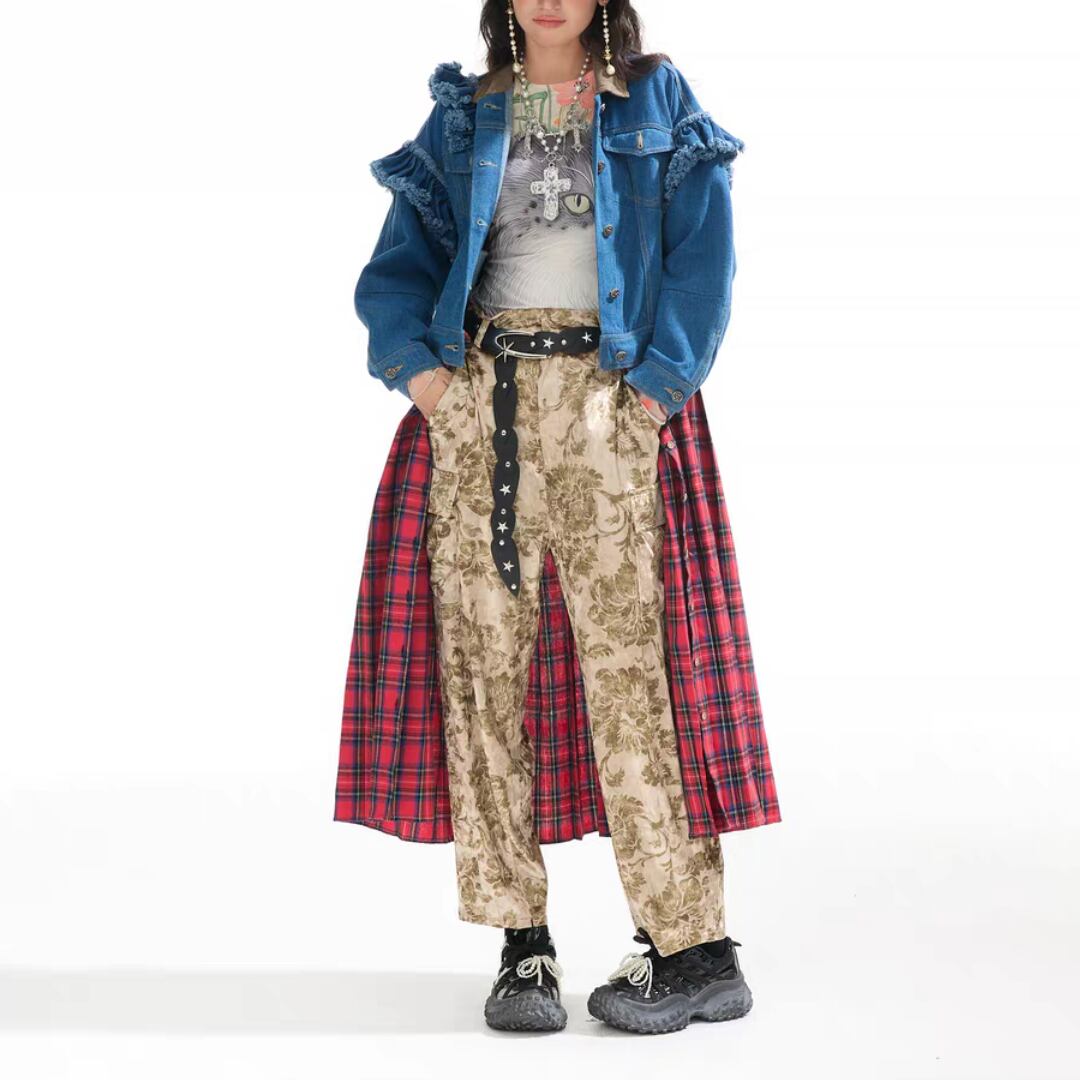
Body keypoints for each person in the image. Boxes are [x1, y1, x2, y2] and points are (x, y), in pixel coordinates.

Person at [334, 0, 781, 1036]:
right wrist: (431, 386)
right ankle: (521, 945)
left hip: (610, 408)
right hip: (483, 410)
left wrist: (653, 397)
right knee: (483, 675)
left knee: (636, 674)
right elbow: (396, 272)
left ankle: (692, 945)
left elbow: (703, 258)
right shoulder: (463, 115)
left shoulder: (653, 99)